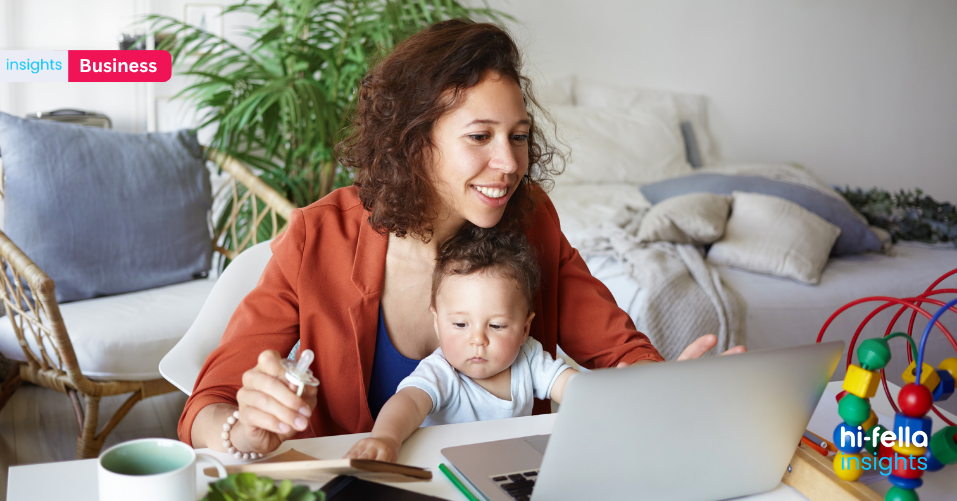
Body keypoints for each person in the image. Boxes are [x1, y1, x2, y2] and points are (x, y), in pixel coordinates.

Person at [179, 19, 745, 457]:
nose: (508, 162)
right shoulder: (318, 237)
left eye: (519, 136)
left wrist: (664, 385)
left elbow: (618, 352)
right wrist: (243, 430)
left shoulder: (533, 221)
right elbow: (207, 407)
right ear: (413, 140)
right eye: (480, 135)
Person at [345, 226, 578, 462]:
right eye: (460, 324)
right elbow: (409, 403)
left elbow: (573, 387)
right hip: (444, 470)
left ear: (525, 329)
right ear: (437, 323)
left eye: (496, 326)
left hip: (506, 468)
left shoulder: (529, 358)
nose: (478, 340)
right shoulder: (442, 372)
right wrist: (386, 438)